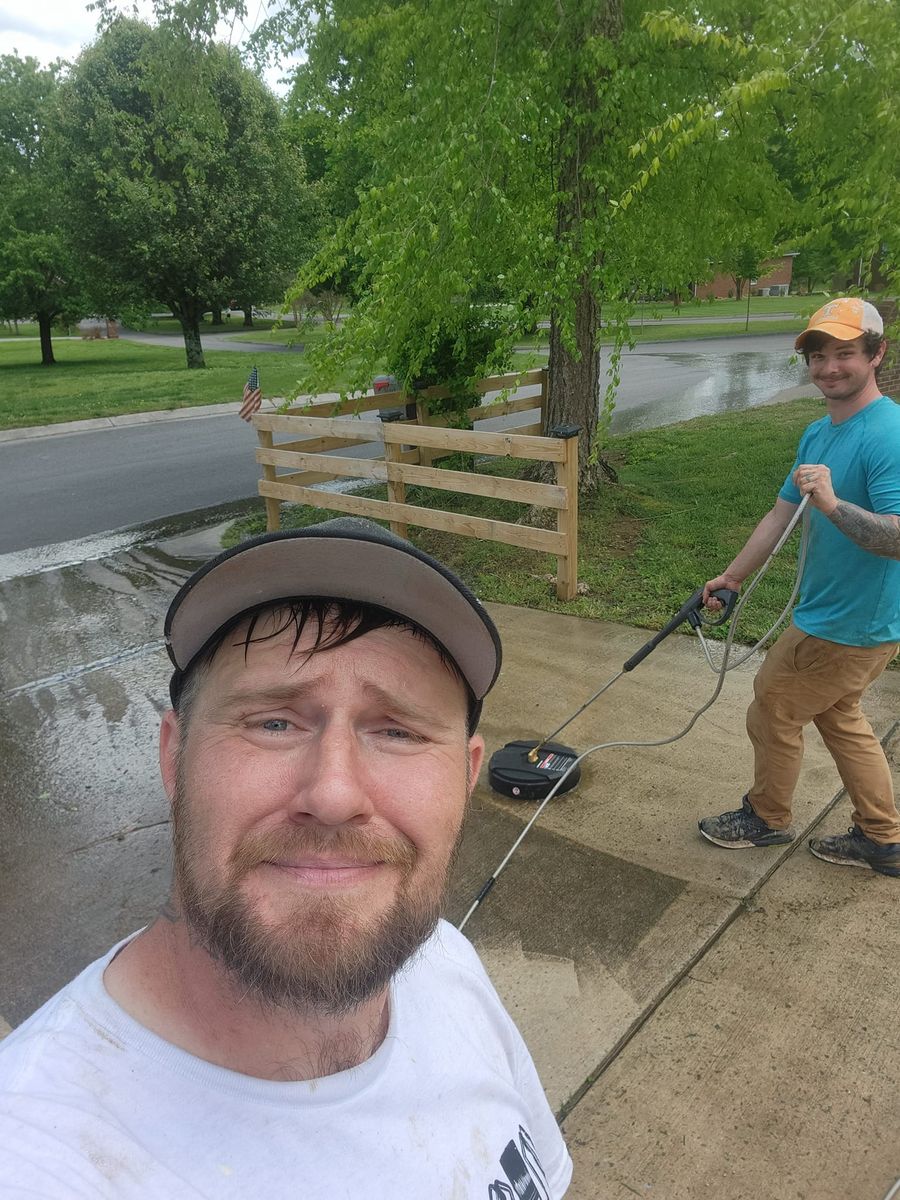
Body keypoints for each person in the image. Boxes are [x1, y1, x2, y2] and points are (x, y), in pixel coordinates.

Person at [0, 518, 573, 1198]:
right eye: (273, 722)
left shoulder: (446, 962)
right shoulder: (39, 1158)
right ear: (173, 757)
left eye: (398, 730)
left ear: (466, 776)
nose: (333, 793)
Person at [698, 297, 900, 875]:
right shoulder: (818, 433)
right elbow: (779, 515)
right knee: (842, 720)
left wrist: (835, 506)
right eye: (818, 356)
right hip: (842, 618)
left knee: (772, 708)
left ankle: (766, 818)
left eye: (844, 354)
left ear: (876, 354)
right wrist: (733, 576)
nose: (828, 367)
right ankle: (882, 840)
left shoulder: (888, 436)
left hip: (850, 624)